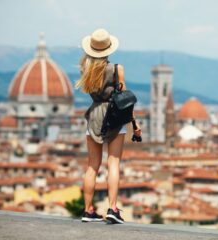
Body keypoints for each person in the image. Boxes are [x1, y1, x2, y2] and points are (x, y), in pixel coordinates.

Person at [75, 28, 142, 224]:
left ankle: (88, 211)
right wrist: (134, 124)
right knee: (113, 163)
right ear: (108, 48)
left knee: (92, 166)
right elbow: (125, 99)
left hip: (94, 115)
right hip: (114, 116)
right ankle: (112, 208)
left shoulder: (84, 69)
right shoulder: (116, 69)